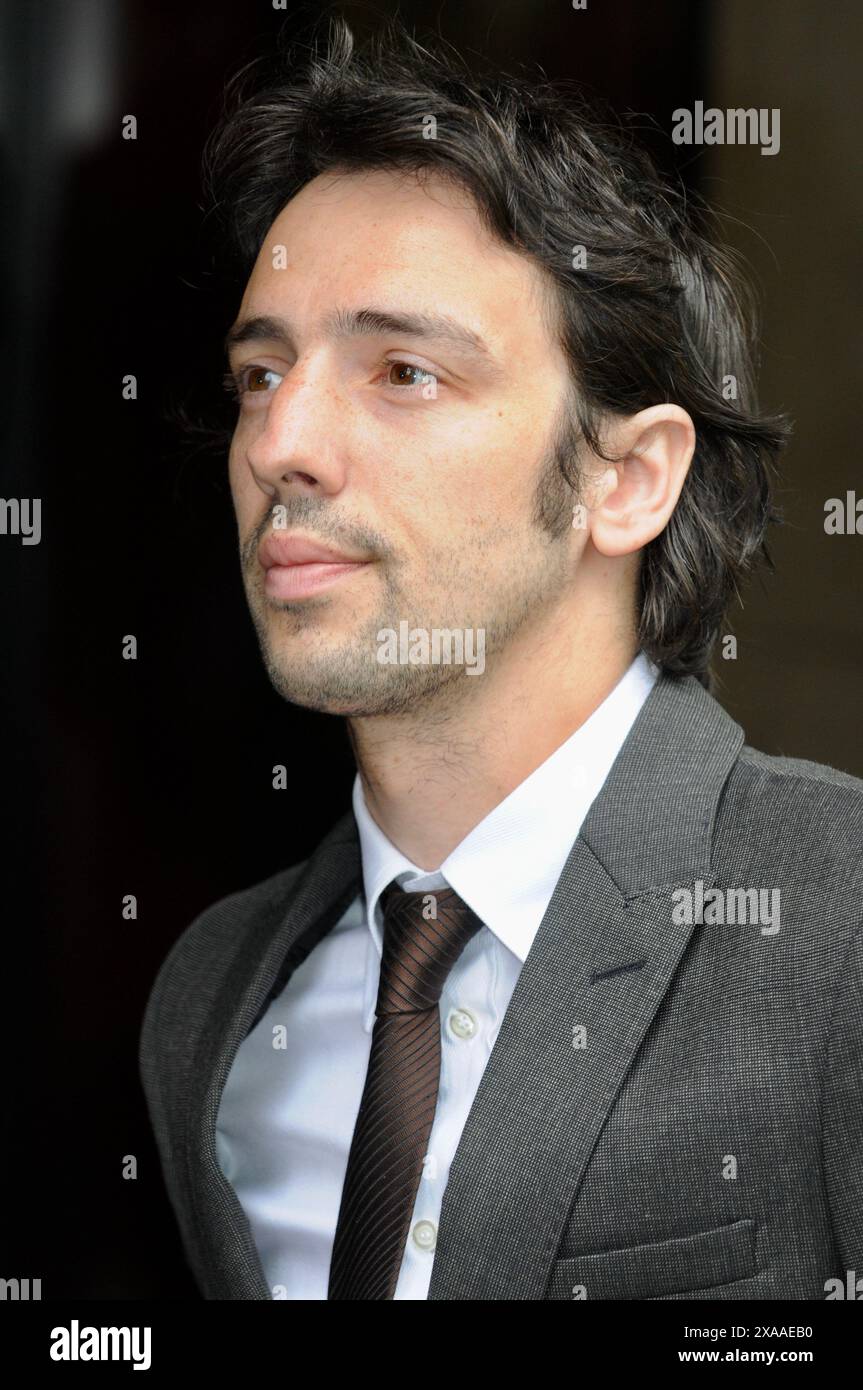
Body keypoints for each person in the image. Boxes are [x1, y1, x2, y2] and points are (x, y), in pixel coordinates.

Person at [138, 16, 862, 1300]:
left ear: (627, 478)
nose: (277, 445)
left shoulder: (835, 922)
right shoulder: (214, 999)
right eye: (261, 372)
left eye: (402, 369)